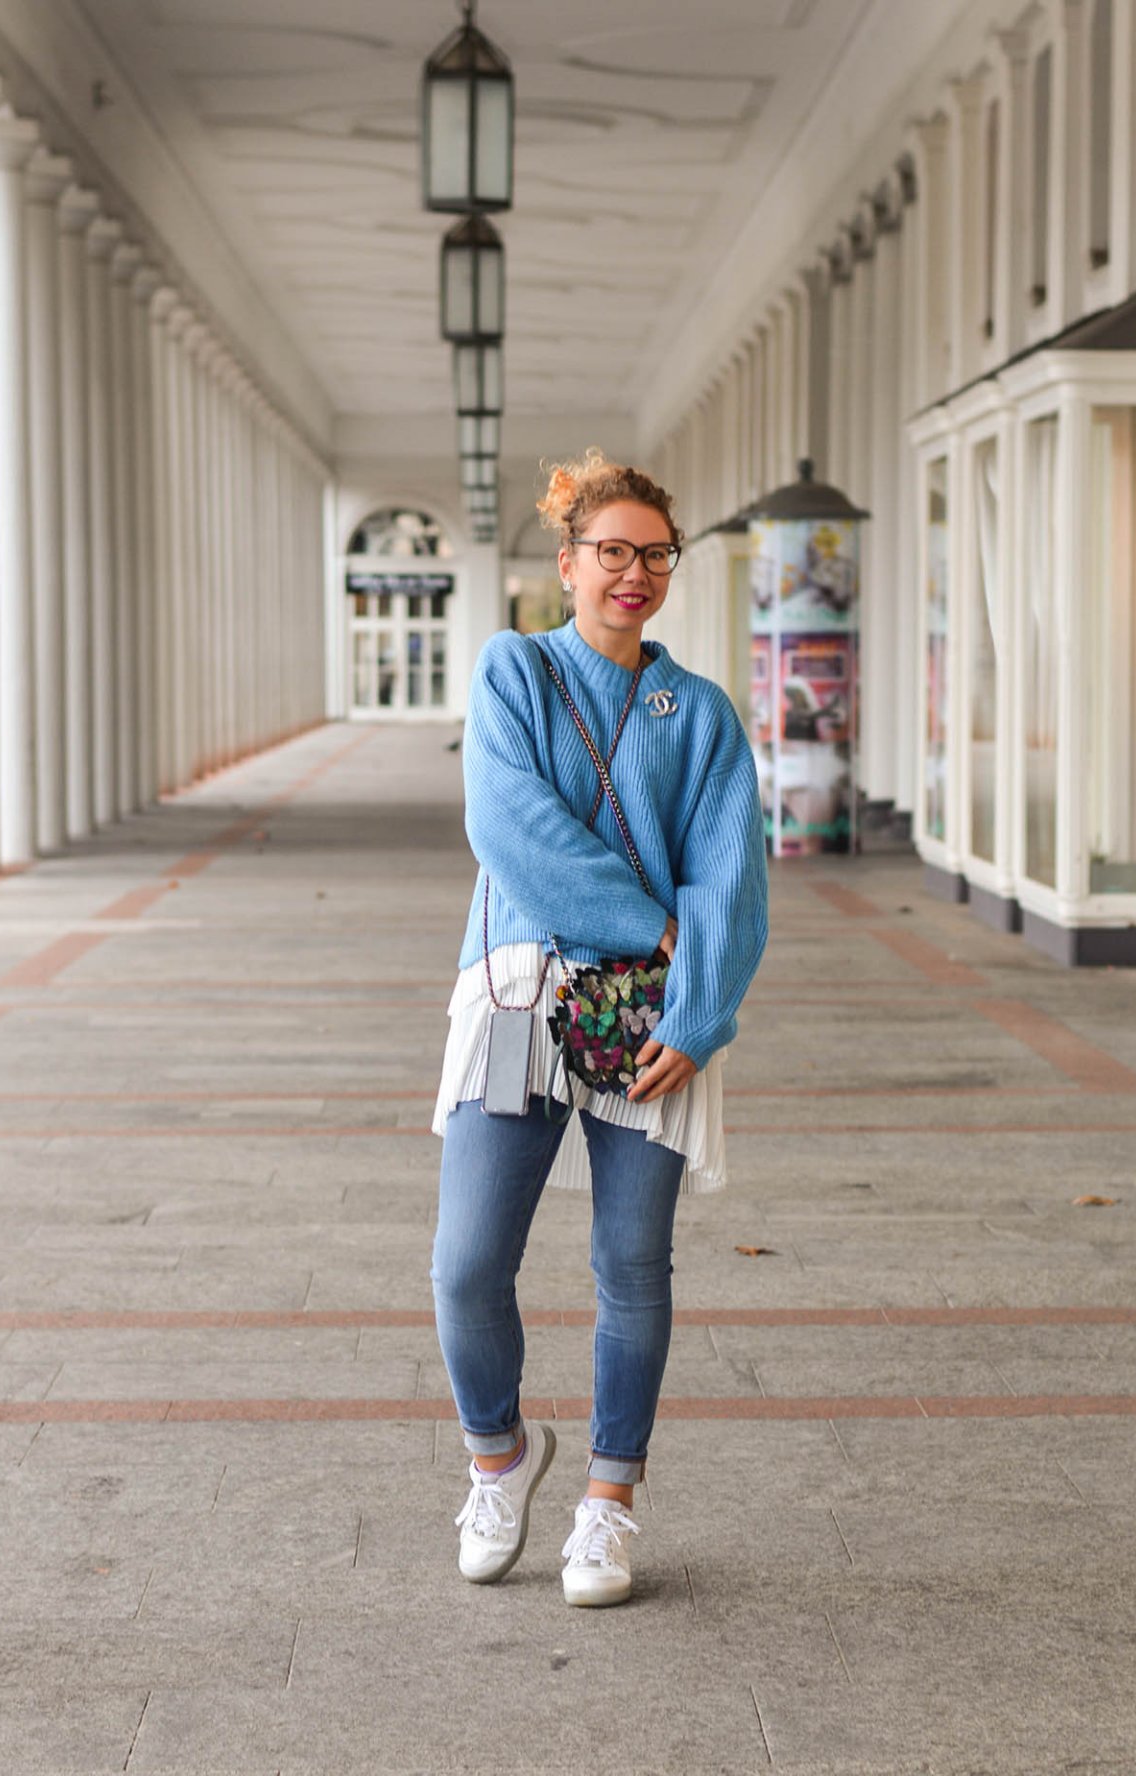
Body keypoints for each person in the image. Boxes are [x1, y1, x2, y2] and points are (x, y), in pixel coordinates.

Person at [430, 449, 769, 1607]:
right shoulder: (513, 672)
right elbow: (508, 825)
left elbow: (731, 875)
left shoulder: (703, 713)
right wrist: (654, 926)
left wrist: (702, 1001)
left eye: (654, 554)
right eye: (611, 552)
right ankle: (499, 1458)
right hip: (521, 996)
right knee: (468, 1263)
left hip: (652, 1025)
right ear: (567, 561)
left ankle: (610, 1503)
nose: (634, 574)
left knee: (631, 1264)